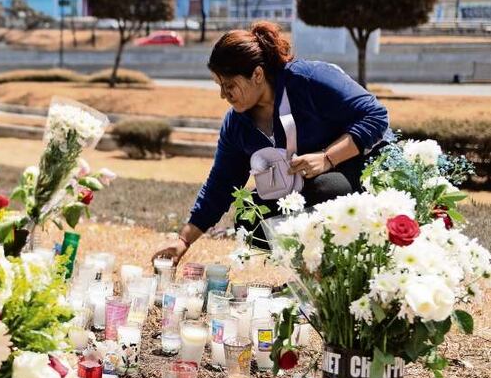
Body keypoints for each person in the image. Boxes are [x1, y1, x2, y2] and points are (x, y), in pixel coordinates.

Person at [153, 22, 389, 265]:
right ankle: (308, 275)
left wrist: (327, 158)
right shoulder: (237, 124)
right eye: (219, 86)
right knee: (250, 216)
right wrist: (183, 240)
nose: (223, 95)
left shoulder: (309, 79)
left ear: (257, 74)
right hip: (304, 189)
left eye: (229, 85)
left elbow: (375, 115)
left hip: (358, 173)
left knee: (328, 188)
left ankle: (344, 267)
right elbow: (221, 184)